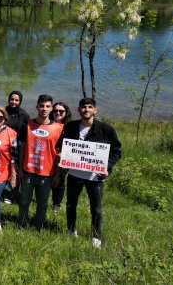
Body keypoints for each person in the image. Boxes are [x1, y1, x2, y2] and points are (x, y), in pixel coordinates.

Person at [56, 98, 121, 248]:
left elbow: (116, 152)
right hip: (74, 174)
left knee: (96, 208)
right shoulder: (70, 126)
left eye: (90, 107)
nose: (86, 110)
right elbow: (60, 145)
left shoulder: (106, 129)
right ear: (79, 110)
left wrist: (107, 168)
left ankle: (95, 236)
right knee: (71, 204)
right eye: (83, 107)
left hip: (95, 177)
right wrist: (61, 155)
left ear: (95, 110)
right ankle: (71, 230)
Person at [16, 94, 64, 231]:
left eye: (47, 106)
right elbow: (23, 147)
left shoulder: (58, 128)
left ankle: (38, 226)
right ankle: (21, 224)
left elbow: (59, 153)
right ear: (37, 107)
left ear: (51, 109)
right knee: (24, 201)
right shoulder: (28, 125)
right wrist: (20, 169)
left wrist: (57, 174)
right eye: (41, 106)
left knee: (42, 203)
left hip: (47, 173)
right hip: (28, 171)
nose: (44, 109)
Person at [4, 90, 30, 205]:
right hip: (4, 146)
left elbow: (28, 132)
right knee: (4, 170)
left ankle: (12, 193)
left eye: (16, 100)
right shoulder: (4, 112)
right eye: (11, 99)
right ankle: (4, 192)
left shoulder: (24, 115)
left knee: (16, 170)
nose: (13, 102)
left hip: (18, 147)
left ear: (20, 101)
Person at [50, 101, 72, 211]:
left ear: (66, 112)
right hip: (49, 157)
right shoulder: (47, 123)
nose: (58, 112)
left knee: (60, 180)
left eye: (61, 111)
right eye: (55, 110)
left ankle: (56, 204)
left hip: (63, 158)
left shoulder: (70, 127)